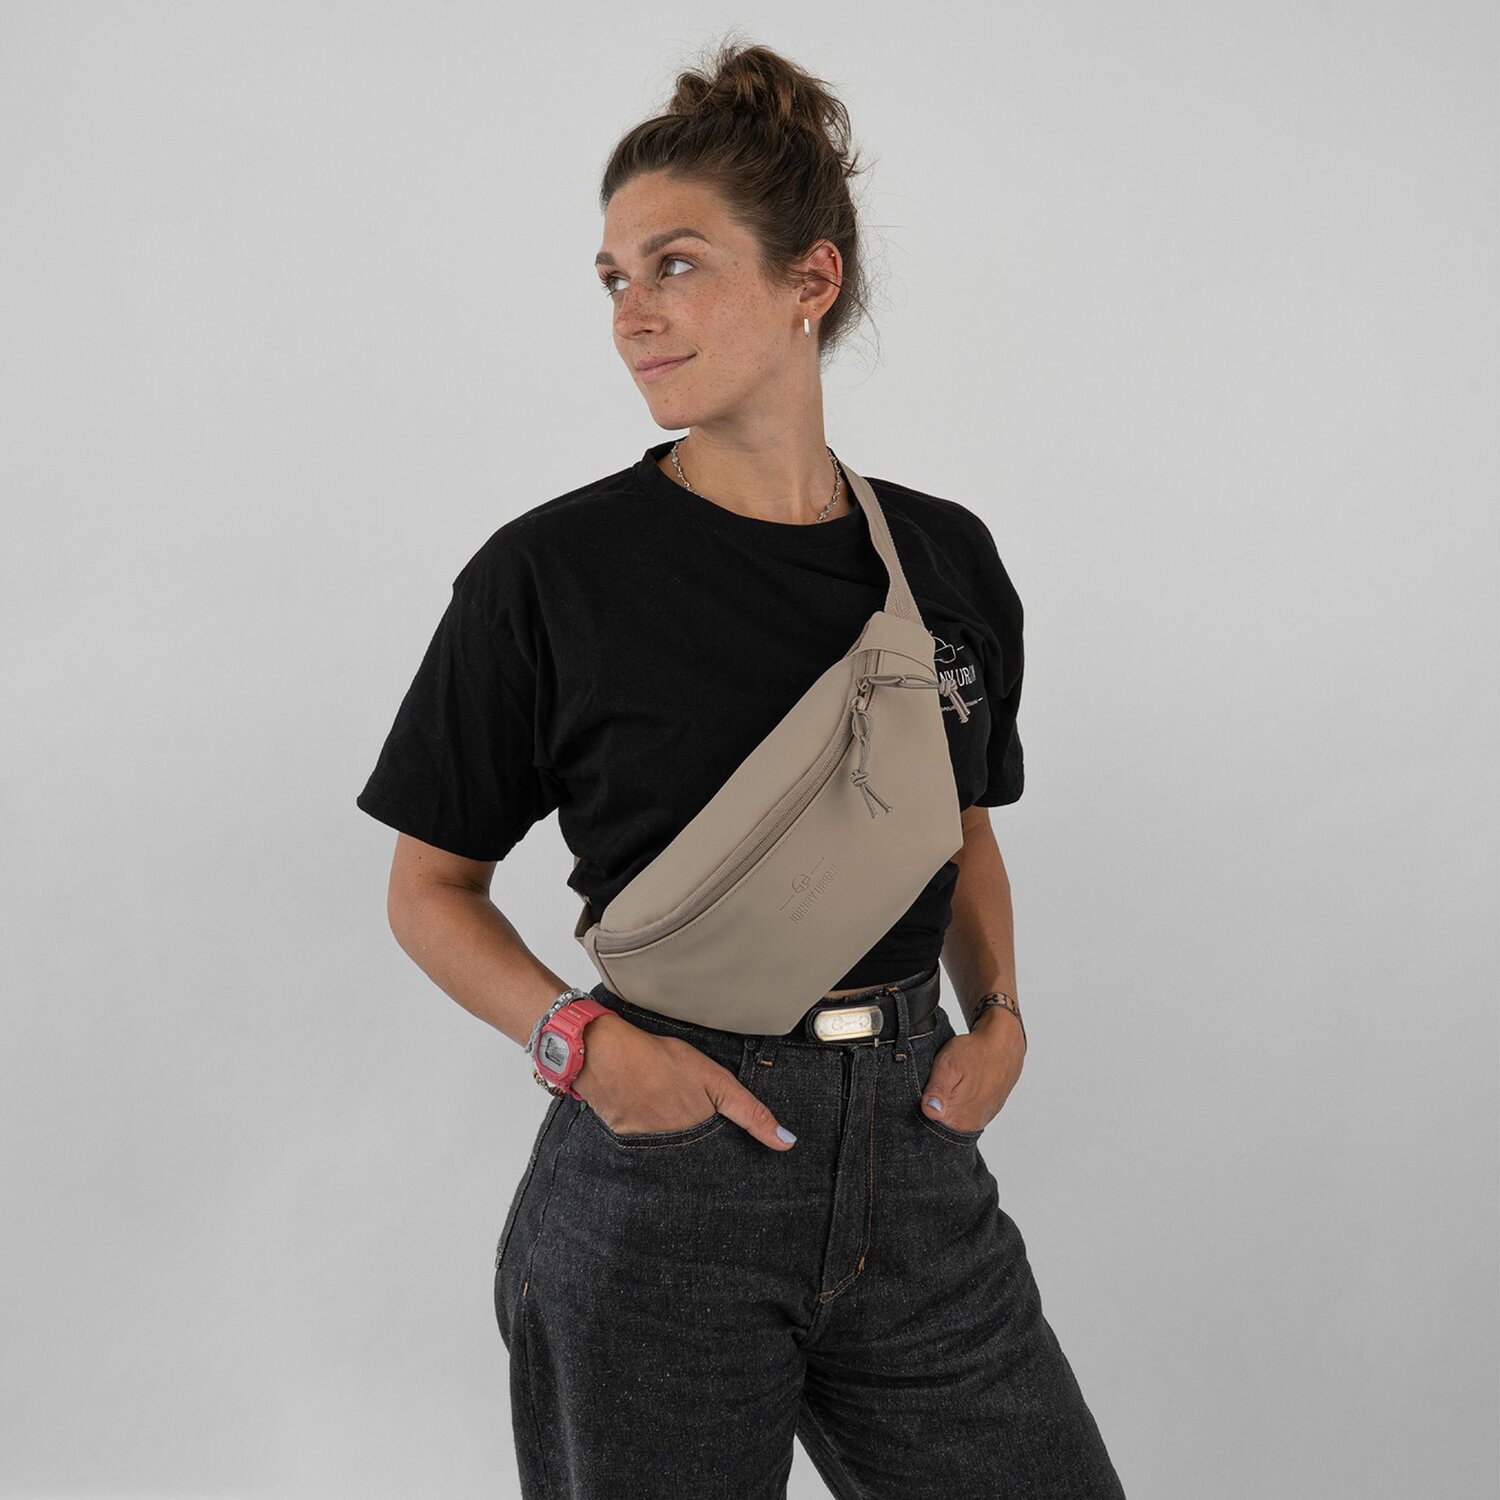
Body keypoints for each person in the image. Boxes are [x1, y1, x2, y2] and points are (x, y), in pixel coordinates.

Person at [356, 34, 1127, 1500]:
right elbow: (429, 891)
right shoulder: (549, 575)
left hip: (918, 1155)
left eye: (677, 266)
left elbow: (960, 828)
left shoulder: (947, 559)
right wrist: (583, 1051)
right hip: (668, 1169)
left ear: (809, 280)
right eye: (612, 279)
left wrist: (1003, 1013)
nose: (632, 315)